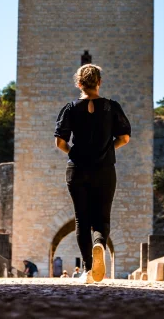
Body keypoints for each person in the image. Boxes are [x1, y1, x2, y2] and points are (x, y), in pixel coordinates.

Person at [54, 64, 131, 284]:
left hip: (77, 170)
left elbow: (60, 142)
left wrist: (74, 152)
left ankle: (88, 268)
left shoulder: (70, 108)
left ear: (78, 83)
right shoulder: (111, 107)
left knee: (81, 219)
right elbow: (124, 138)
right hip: (105, 169)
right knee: (101, 217)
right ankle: (100, 243)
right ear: (99, 82)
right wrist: (107, 150)